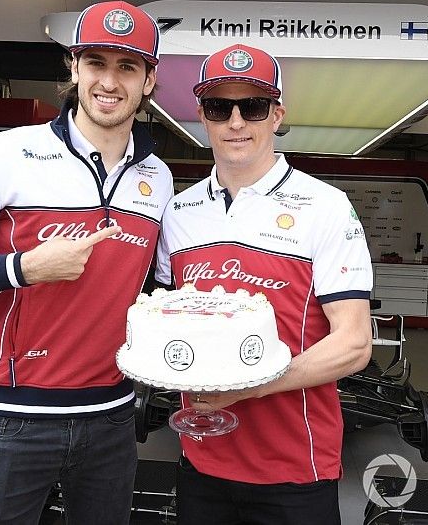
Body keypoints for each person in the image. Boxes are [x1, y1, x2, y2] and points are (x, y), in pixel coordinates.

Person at [0, 1, 173, 524]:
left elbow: (146, 288)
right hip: (16, 419)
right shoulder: (10, 152)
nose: (109, 81)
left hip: (112, 417)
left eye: (128, 67)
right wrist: (18, 269)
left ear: (149, 80)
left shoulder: (156, 175)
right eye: (96, 63)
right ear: (73, 68)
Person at [155, 43, 373, 524]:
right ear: (202, 116)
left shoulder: (326, 207)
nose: (236, 122)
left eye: (251, 106)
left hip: (294, 470)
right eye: (219, 107)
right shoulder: (180, 212)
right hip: (201, 460)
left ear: (277, 114)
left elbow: (355, 345)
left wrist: (247, 389)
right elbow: (172, 323)